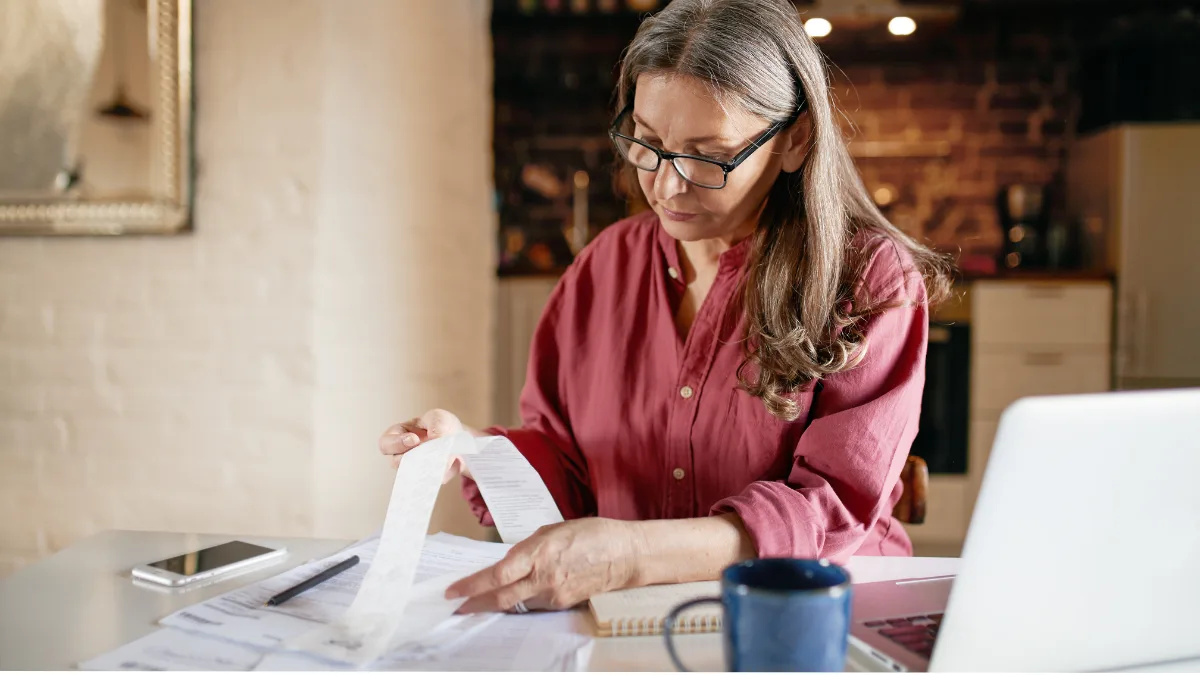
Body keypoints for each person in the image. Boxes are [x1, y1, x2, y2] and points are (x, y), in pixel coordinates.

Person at [379, 0, 949, 615]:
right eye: (647, 144)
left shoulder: (866, 279)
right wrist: (471, 450)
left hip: (813, 616)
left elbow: (831, 512)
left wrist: (632, 554)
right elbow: (569, 462)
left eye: (707, 156)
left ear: (796, 140)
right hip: (633, 616)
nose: (667, 185)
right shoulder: (603, 268)